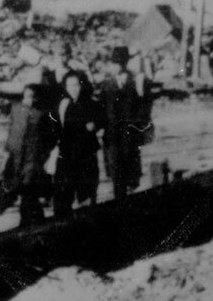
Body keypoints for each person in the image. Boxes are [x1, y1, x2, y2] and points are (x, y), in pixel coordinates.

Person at [0, 83, 53, 228]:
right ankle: (33, 221)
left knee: (28, 188)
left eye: (32, 96)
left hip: (34, 157)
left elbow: (49, 138)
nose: (28, 100)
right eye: (26, 96)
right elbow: (12, 133)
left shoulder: (42, 113)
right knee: (20, 188)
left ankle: (28, 222)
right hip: (17, 156)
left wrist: (46, 157)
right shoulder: (16, 109)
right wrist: (6, 154)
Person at [51, 70, 104, 215]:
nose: (73, 89)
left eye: (76, 85)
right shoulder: (62, 104)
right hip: (66, 154)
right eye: (70, 86)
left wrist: (94, 124)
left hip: (86, 154)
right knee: (63, 194)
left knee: (87, 194)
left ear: (82, 85)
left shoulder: (89, 103)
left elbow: (102, 118)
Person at [101, 70, 146, 200]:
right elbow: (102, 110)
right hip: (113, 137)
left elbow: (139, 111)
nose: (124, 80)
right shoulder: (107, 87)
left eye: (126, 79)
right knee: (117, 174)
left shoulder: (132, 88)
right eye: (121, 78)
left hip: (129, 137)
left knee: (131, 175)